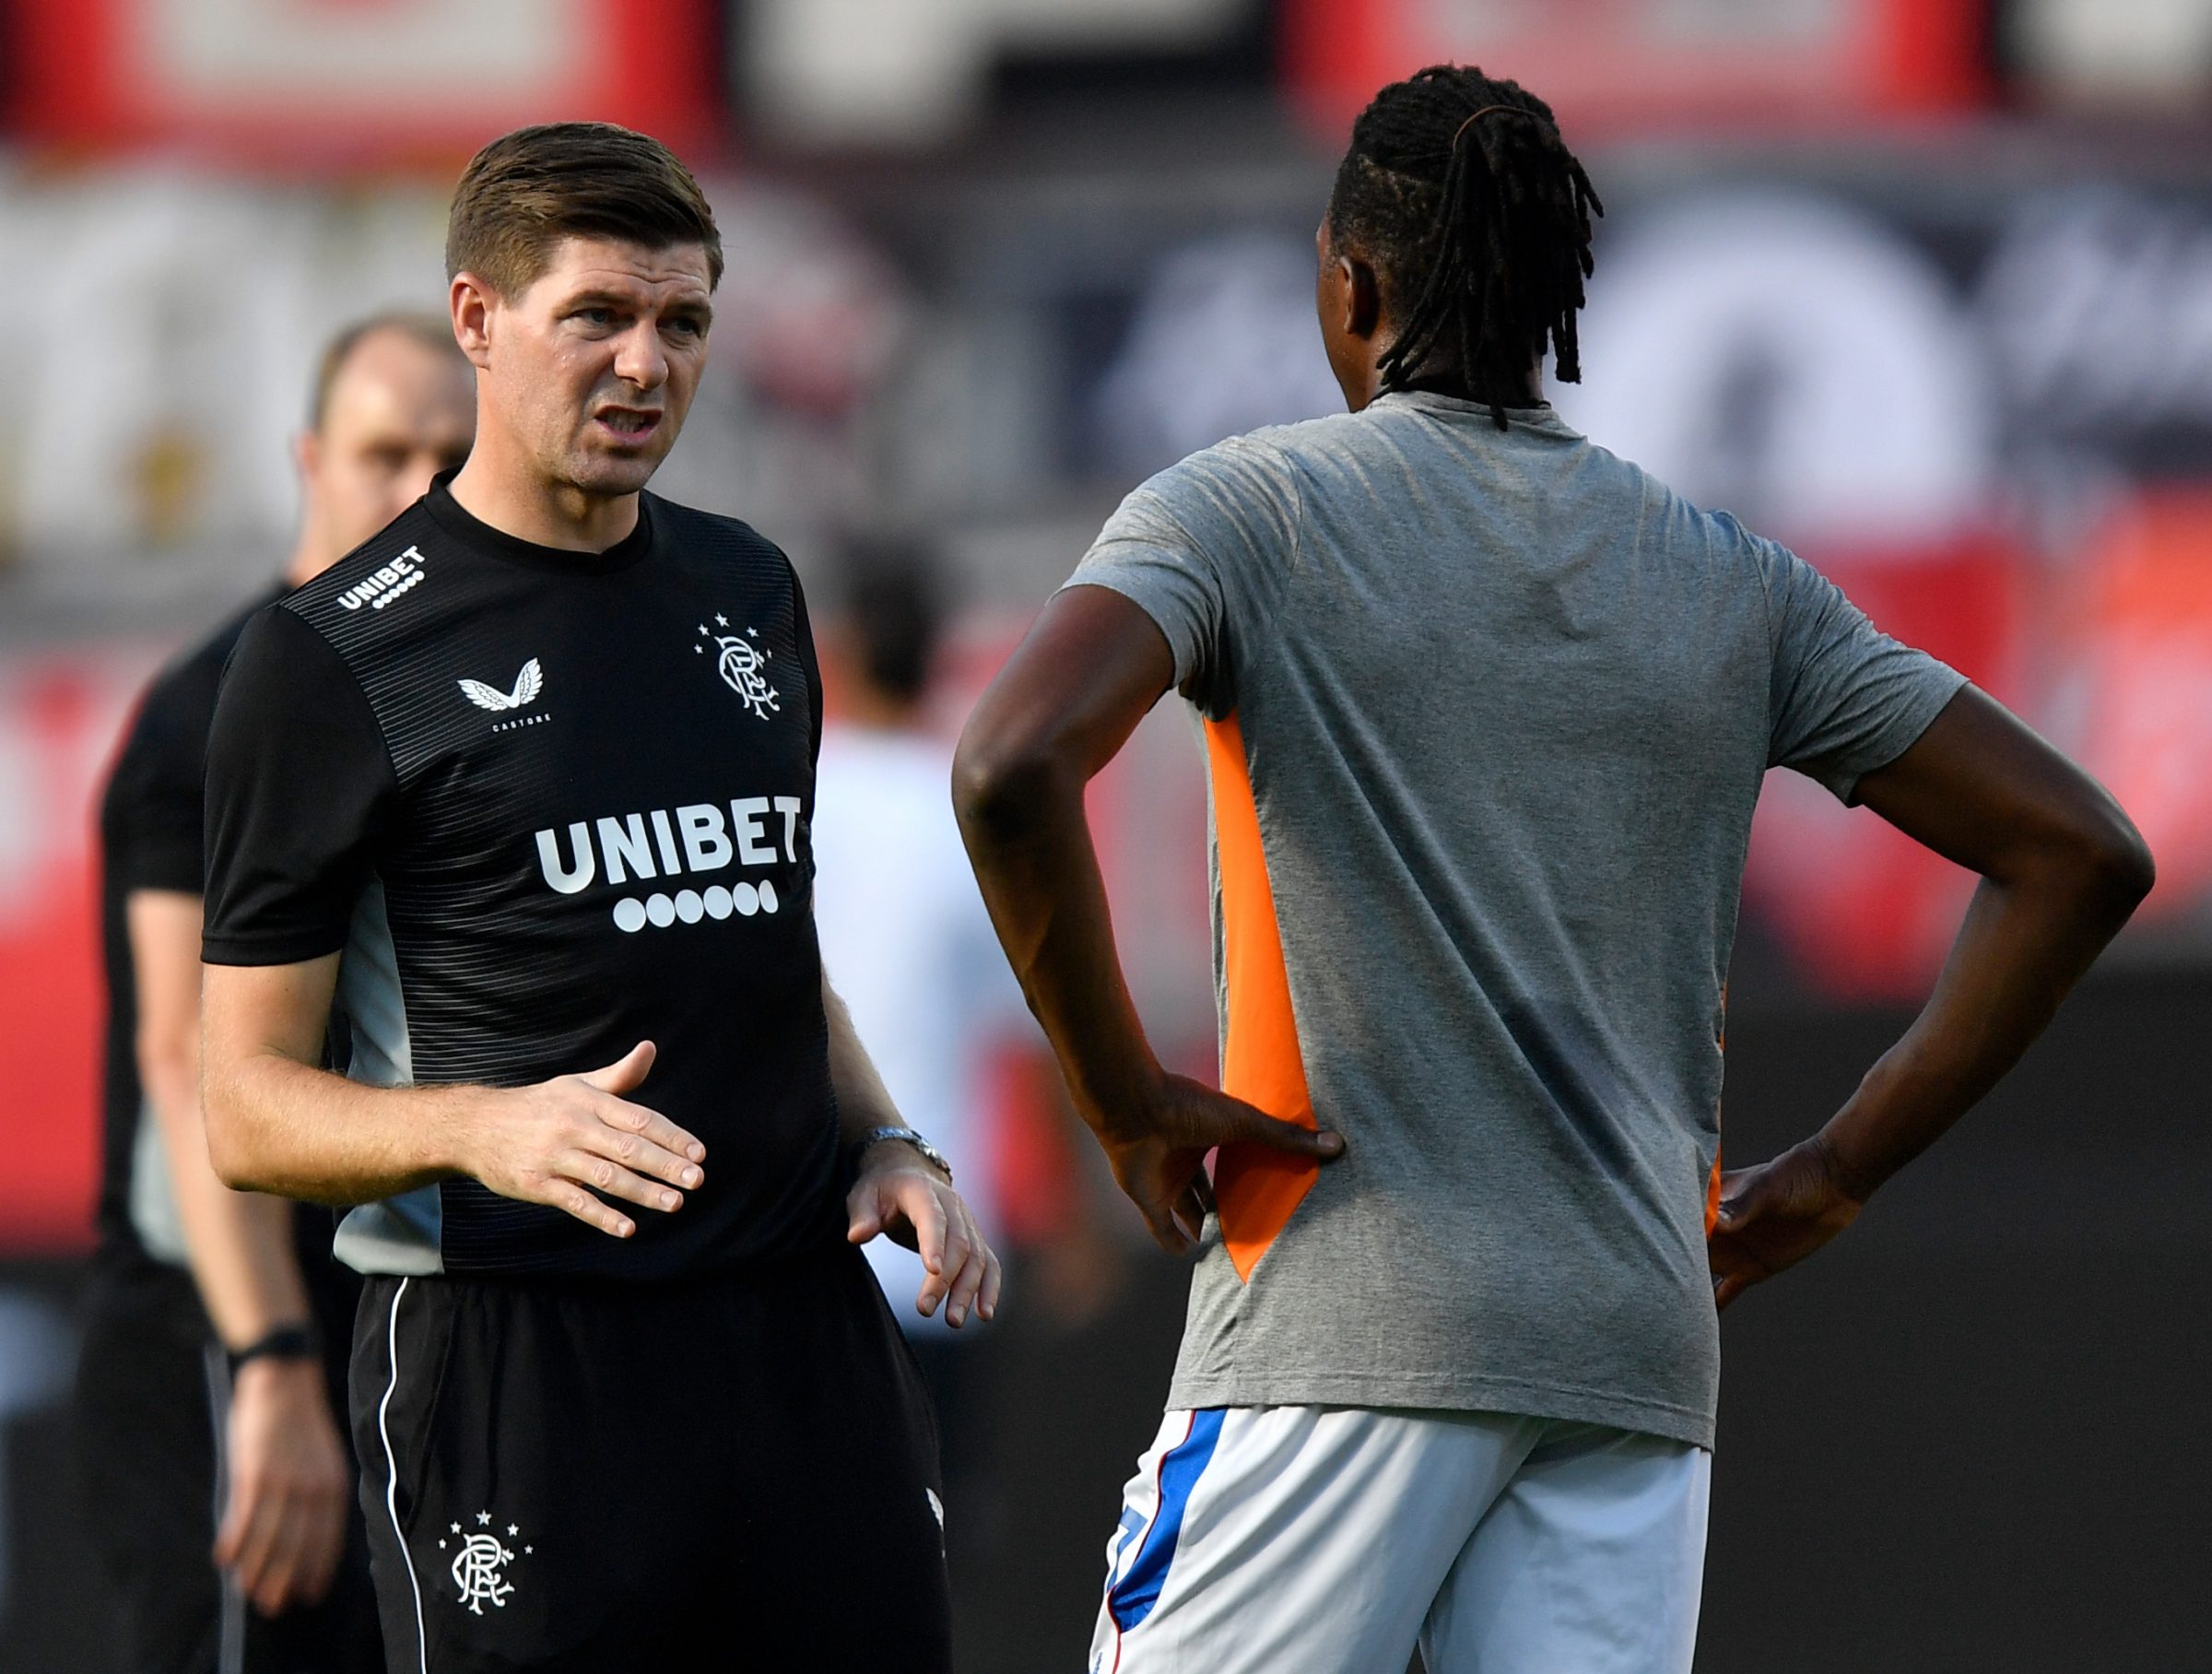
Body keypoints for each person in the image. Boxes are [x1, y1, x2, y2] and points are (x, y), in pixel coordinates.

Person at [952, 65, 2154, 1674]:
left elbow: (1011, 763)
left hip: (1340, 1325)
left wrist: (1120, 1102)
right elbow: (2079, 851)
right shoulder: (1732, 582)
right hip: (1628, 1359)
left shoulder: (1248, 512)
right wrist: (1834, 1171)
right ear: (1551, 307)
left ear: (1352, 285)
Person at [195, 123, 999, 1674]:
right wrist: (482, 1128)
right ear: (479, 319)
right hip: (519, 1354)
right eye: (598, 317)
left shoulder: (749, 588)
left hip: (797, 1343)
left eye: (683, 321)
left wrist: (889, 1139)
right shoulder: (332, 659)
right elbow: (243, 1107)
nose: (647, 365)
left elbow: (762, 941)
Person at [76, 312, 474, 1674]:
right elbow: (183, 1056)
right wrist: (271, 1362)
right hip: (225, 1316)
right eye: (384, 453)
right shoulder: (210, 713)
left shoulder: (460, 692)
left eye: (451, 460)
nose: (419, 490)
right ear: (309, 458)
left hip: (398, 1308)